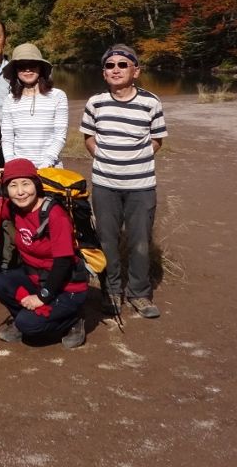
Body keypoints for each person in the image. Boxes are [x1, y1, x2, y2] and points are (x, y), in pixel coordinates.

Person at [80, 44, 167, 319]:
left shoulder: (151, 102)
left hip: (141, 186)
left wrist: (133, 159)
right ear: (104, 73)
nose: (115, 69)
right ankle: (111, 291)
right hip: (105, 185)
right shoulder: (95, 102)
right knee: (107, 239)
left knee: (140, 240)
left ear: (136, 71)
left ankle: (139, 294)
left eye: (122, 64)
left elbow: (156, 140)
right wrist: (107, 160)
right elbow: (89, 139)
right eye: (109, 65)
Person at [0, 159, 88, 348]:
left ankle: (73, 320)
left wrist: (41, 297)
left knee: (30, 326)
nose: (20, 192)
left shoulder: (55, 215)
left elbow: (63, 263)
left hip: (67, 287)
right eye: (12, 185)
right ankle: (26, 319)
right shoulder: (13, 207)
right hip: (36, 278)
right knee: (0, 283)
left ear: (36, 184)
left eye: (26, 184)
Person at [0, 43, 68, 168]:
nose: (27, 70)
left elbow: (60, 137)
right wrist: (11, 165)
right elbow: (7, 138)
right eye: (22, 66)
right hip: (20, 170)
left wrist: (46, 164)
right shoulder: (9, 100)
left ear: (40, 67)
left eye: (32, 65)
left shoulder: (58, 96)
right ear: (15, 70)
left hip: (51, 168)